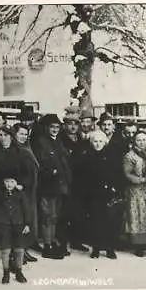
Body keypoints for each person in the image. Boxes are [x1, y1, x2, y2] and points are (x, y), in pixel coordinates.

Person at [0, 125, 33, 279]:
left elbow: (28, 174)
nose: (3, 138)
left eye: (6, 135)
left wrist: (20, 184)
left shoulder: (20, 153)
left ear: (11, 136)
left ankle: (15, 265)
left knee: (15, 232)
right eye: (0, 135)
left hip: (15, 197)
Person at [33, 114, 72, 259]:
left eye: (57, 127)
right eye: (52, 127)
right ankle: (47, 245)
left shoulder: (58, 141)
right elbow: (40, 164)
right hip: (47, 185)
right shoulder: (41, 142)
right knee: (47, 216)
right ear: (46, 128)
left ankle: (52, 242)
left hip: (59, 185)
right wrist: (51, 171)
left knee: (54, 216)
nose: (55, 129)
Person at [83, 130, 124, 259]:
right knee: (95, 221)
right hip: (94, 194)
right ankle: (96, 248)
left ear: (105, 143)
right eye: (95, 141)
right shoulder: (87, 156)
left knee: (110, 221)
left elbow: (117, 173)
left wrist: (114, 188)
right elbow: (84, 176)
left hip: (108, 193)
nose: (98, 144)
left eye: (100, 141)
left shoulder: (111, 155)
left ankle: (110, 249)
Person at [123, 130, 146, 257]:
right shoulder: (130, 156)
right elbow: (127, 174)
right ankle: (139, 246)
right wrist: (143, 180)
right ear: (134, 141)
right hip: (136, 192)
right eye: (138, 140)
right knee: (138, 218)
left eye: (144, 139)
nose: (141, 142)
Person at [60, 107, 90, 253]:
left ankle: (76, 241)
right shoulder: (60, 140)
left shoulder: (82, 140)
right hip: (65, 181)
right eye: (70, 123)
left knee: (79, 212)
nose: (73, 126)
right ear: (65, 124)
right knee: (64, 213)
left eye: (75, 124)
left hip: (80, 182)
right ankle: (62, 243)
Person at [0, 170, 31, 284]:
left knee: (19, 249)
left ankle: (19, 272)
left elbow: (26, 210)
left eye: (12, 181)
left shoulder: (20, 194)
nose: (9, 184)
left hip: (18, 224)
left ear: (16, 183)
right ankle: (6, 273)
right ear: (3, 182)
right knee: (5, 250)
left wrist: (27, 224)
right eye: (7, 181)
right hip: (4, 224)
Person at [13, 123, 40, 262]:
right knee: (20, 221)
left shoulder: (26, 147)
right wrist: (21, 184)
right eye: (21, 134)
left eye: (25, 134)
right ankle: (18, 253)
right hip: (21, 189)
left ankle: (24, 250)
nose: (23, 136)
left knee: (28, 219)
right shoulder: (15, 149)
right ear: (15, 134)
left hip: (30, 189)